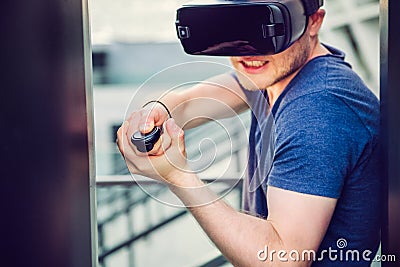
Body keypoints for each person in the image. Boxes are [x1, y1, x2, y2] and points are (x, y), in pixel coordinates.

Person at [116, 3, 381, 266]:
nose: (250, 50)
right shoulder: (275, 72)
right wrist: (158, 109)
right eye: (240, 26)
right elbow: (192, 100)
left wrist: (178, 177)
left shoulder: (319, 107)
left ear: (314, 22)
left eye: (269, 27)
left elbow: (281, 258)